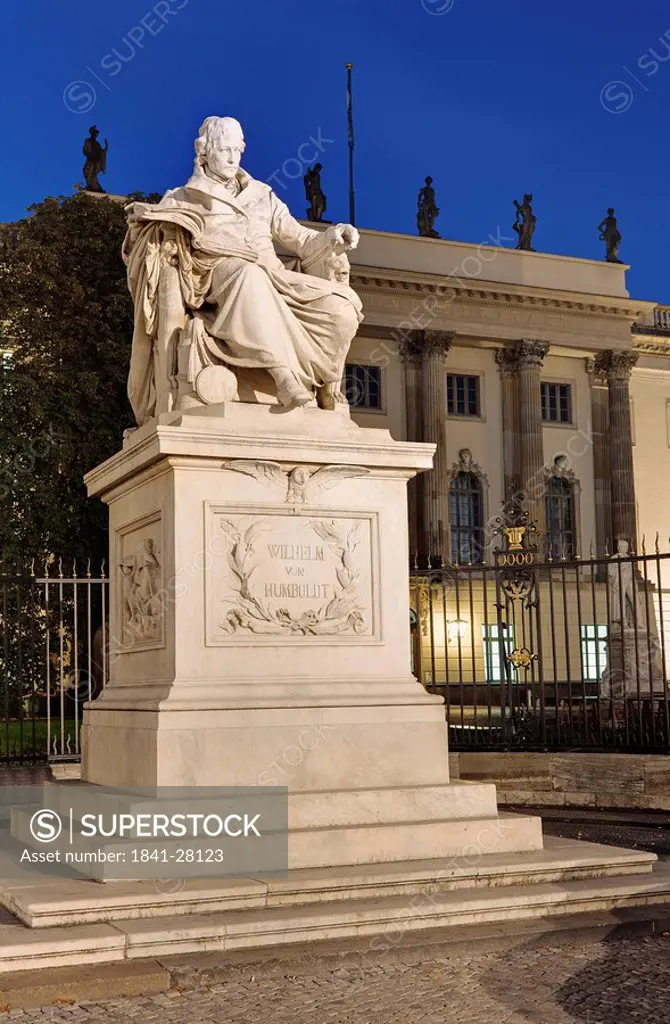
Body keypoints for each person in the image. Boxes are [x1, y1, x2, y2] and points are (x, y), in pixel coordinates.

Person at [124, 117, 362, 424]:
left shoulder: (262, 194)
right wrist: (138, 227)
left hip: (275, 277)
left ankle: (326, 384)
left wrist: (333, 236)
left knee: (342, 305)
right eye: (224, 150)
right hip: (215, 274)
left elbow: (301, 240)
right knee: (249, 275)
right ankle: (282, 375)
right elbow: (144, 244)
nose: (232, 157)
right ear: (204, 151)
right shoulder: (184, 196)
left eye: (237, 149)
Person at [82, 126, 108, 193]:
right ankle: (92, 186)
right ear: (92, 133)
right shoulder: (88, 140)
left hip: (96, 161)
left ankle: (93, 187)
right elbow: (84, 150)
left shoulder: (97, 144)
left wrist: (106, 147)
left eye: (96, 134)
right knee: (86, 172)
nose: (96, 135)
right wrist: (89, 155)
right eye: (95, 133)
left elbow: (101, 152)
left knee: (93, 174)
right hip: (90, 160)